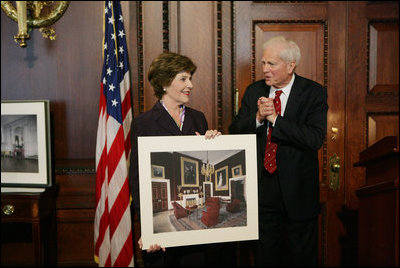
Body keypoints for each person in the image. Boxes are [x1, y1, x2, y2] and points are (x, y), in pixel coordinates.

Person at [129, 52, 236, 267]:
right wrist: (149, 228)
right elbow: (137, 180)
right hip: (161, 245)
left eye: (191, 78)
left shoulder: (198, 118)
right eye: (184, 79)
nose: (191, 85)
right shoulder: (144, 123)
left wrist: (213, 143)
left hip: (196, 244)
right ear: (165, 83)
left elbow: (207, 169)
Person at [229, 36, 328, 266]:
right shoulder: (254, 91)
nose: (265, 69)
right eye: (263, 63)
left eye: (271, 64)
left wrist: (275, 119)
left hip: (299, 194)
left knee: (302, 259)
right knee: (266, 258)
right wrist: (256, 118)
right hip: (263, 192)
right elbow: (234, 130)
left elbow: (314, 138)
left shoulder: (313, 93)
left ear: (290, 65)